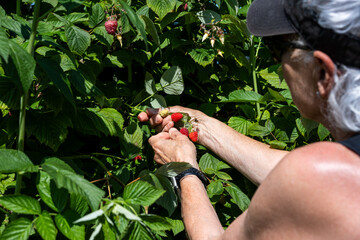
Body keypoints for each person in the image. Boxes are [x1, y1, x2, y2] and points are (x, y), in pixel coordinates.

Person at [138, 0, 360, 239]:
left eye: (276, 48)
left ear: (322, 72)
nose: (280, 68)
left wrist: (184, 169)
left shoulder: (314, 176)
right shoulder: (337, 173)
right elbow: (305, 177)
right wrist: (200, 126)